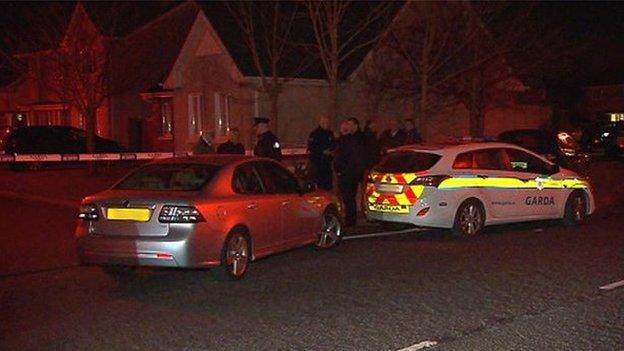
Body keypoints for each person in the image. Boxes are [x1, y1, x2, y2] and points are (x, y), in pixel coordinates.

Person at [334, 119, 366, 227]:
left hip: (345, 174)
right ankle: (351, 220)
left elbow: (340, 158)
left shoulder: (343, 142)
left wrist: (339, 170)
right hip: (354, 174)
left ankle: (349, 220)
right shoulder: (355, 141)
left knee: (347, 197)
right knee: (351, 197)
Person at [307, 116, 335, 190]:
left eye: (328, 123)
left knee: (328, 185)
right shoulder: (315, 134)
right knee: (319, 185)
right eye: (324, 123)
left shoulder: (330, 134)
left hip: (328, 164)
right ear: (321, 123)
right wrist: (322, 152)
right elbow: (311, 149)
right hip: (318, 164)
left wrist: (332, 152)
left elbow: (334, 145)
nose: (326, 124)